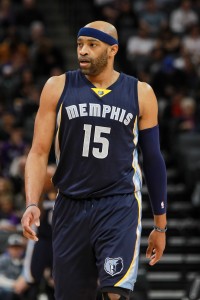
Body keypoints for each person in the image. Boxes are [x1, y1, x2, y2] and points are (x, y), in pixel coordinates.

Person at [21, 20, 167, 300]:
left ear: (112, 50)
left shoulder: (140, 93)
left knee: (115, 292)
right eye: (79, 45)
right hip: (70, 204)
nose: (83, 51)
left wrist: (160, 225)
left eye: (92, 45)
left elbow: (153, 159)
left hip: (118, 203)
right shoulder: (58, 87)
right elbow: (38, 152)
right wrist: (32, 202)